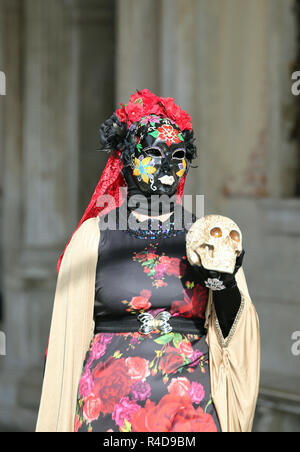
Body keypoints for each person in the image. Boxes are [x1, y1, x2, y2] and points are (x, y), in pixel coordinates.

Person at [36, 89, 260, 432]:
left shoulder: (208, 237)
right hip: (108, 414)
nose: (167, 164)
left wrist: (224, 284)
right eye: (153, 152)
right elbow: (67, 347)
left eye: (178, 154)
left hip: (189, 415)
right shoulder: (93, 238)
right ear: (126, 158)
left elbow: (236, 337)